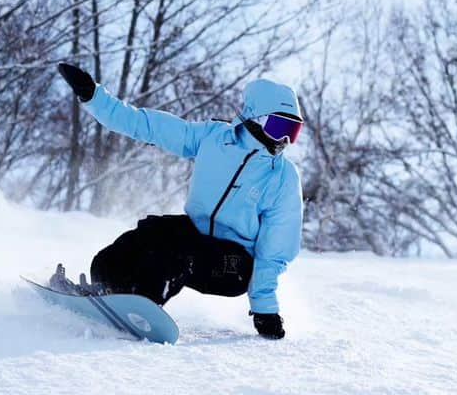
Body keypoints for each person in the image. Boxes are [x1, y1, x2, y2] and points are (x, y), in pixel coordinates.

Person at [52, 62, 304, 340]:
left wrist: (264, 308)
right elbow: (148, 126)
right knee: (149, 233)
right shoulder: (213, 138)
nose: (283, 140)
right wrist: (93, 97)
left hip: (237, 263)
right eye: (279, 126)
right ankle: (107, 285)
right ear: (253, 117)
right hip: (195, 234)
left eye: (292, 131)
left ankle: (143, 302)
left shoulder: (283, 177)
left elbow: (275, 248)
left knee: (179, 253)